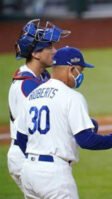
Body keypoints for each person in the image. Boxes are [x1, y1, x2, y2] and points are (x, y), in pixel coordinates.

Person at [15, 46, 112, 199]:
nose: (81, 76)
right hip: (54, 176)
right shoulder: (72, 97)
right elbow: (87, 141)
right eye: (80, 71)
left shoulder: (33, 95)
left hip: (29, 172)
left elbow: (20, 139)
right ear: (71, 69)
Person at [7, 18, 70, 192]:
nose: (55, 51)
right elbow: (26, 132)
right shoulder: (26, 85)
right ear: (35, 54)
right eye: (49, 47)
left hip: (32, 154)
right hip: (25, 155)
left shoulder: (42, 77)